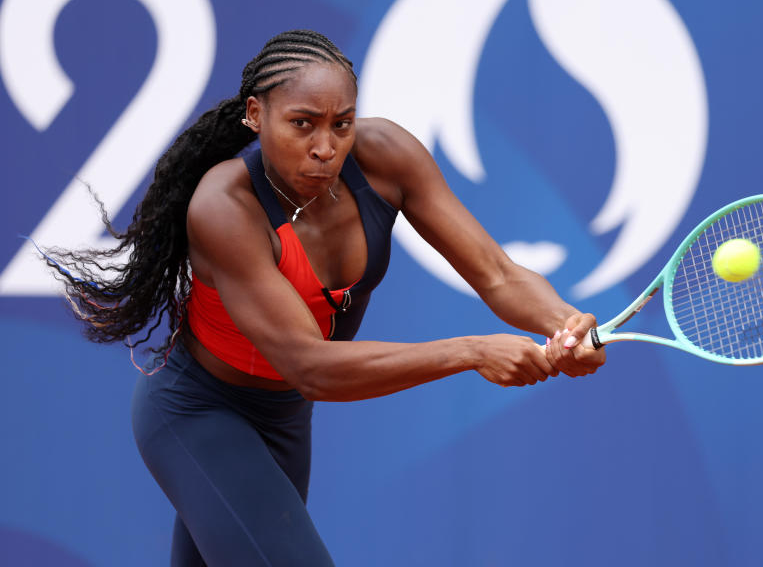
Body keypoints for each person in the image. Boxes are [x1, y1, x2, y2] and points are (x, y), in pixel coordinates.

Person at [50, 30, 605, 566]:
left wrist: (564, 324)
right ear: (254, 114)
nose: (325, 148)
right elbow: (311, 366)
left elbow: (498, 274)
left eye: (342, 125)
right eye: (302, 124)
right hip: (199, 413)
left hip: (286, 417)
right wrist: (472, 351)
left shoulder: (386, 157)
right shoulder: (224, 207)